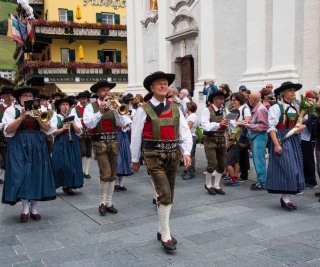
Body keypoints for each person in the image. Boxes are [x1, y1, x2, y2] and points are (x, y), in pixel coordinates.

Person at [131, 71, 192, 251]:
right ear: (152, 88)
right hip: (153, 155)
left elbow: (184, 132)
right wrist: (135, 159)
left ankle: (160, 228)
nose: (163, 86)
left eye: (165, 83)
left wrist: (186, 152)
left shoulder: (175, 108)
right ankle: (166, 235)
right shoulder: (143, 109)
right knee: (164, 192)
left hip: (173, 155)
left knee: (169, 193)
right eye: (159, 83)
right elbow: (135, 136)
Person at [2, 86, 56, 222]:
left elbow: (48, 130)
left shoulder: (42, 110)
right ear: (19, 98)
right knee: (21, 174)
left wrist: (37, 117)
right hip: (18, 144)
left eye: (30, 96)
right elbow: (8, 131)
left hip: (37, 144)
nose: (28, 98)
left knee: (36, 173)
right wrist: (21, 117)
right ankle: (25, 207)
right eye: (25, 96)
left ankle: (34, 208)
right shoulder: (11, 110)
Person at [83, 80, 131, 215]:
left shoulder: (115, 105)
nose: (107, 93)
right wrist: (101, 112)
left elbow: (123, 123)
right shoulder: (91, 107)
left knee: (113, 173)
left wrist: (117, 111)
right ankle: (102, 203)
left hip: (114, 142)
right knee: (105, 173)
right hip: (99, 143)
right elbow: (89, 124)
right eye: (104, 90)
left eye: (108, 90)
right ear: (98, 93)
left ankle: (109, 202)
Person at [265, 81, 305, 211]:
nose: (293, 92)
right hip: (282, 139)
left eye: (294, 90)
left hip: (293, 140)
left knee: (295, 168)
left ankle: (285, 197)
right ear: (283, 93)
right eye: (290, 90)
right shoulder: (276, 108)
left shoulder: (295, 107)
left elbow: (294, 125)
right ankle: (285, 198)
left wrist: (299, 128)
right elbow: (271, 128)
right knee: (289, 168)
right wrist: (276, 144)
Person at [50, 98, 83, 195]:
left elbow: (79, 132)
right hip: (61, 141)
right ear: (59, 107)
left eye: (67, 105)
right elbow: (53, 132)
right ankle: (60, 183)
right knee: (61, 164)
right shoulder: (56, 117)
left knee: (72, 163)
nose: (65, 107)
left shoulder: (74, 116)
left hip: (72, 141)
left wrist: (72, 122)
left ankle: (69, 185)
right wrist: (62, 129)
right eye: (63, 105)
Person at [201, 91, 228, 196]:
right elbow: (205, 126)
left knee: (222, 164)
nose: (222, 101)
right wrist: (219, 124)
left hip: (221, 139)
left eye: (222, 99)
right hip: (210, 139)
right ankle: (208, 184)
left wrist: (231, 123)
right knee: (212, 163)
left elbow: (232, 125)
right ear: (214, 99)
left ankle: (216, 185)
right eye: (220, 99)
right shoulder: (206, 110)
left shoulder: (224, 111)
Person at [243, 92, 268, 190]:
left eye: (249, 98)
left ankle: (262, 182)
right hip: (256, 136)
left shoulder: (261, 109)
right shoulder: (258, 108)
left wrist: (249, 125)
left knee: (259, 159)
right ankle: (260, 180)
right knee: (257, 159)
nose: (248, 99)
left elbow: (263, 126)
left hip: (259, 136)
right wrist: (250, 123)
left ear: (253, 99)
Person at [74, 91, 92, 179]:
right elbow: (74, 119)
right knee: (83, 151)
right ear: (79, 100)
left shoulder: (90, 107)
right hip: (81, 131)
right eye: (82, 99)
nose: (84, 100)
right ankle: (81, 170)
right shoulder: (75, 109)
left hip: (89, 131)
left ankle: (86, 171)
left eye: (85, 99)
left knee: (89, 152)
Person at [0, 86, 14, 184]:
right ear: (2, 96)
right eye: (7, 95)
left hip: (11, 136)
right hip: (1, 136)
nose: (10, 97)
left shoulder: (16, 108)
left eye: (11, 95)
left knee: (9, 158)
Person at [182, 101, 199, 180]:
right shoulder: (190, 115)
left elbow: (188, 127)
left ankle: (190, 172)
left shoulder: (192, 116)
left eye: (186, 107)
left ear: (188, 108)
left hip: (191, 136)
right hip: (191, 136)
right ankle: (189, 170)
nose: (185, 108)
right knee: (191, 154)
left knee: (190, 154)